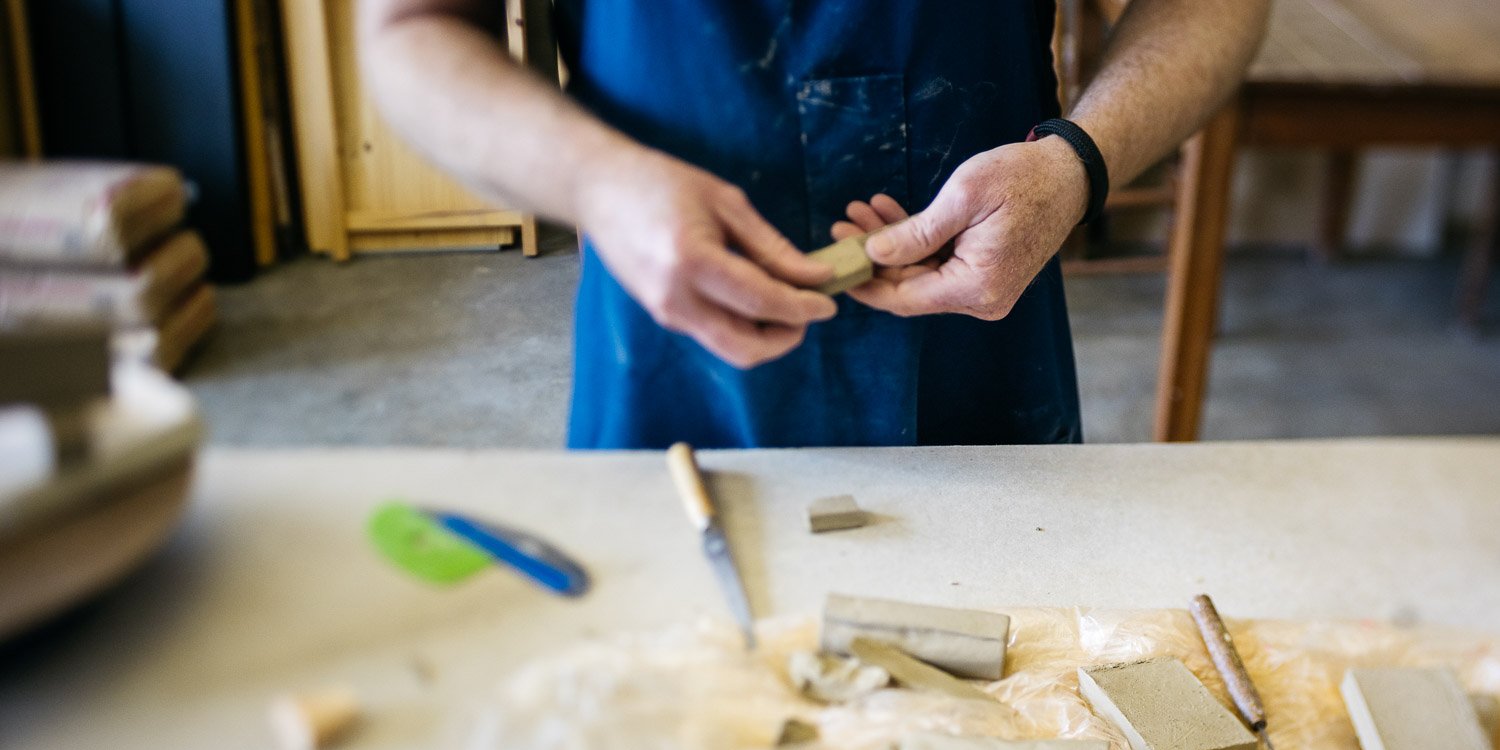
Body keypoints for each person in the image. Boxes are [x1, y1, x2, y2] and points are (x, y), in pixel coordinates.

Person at [363, 0, 1269, 448]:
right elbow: (411, 27)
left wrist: (1080, 159)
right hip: (673, 350)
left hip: (983, 350)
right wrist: (597, 184)